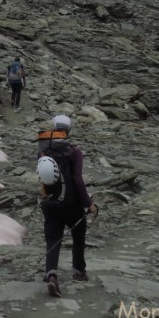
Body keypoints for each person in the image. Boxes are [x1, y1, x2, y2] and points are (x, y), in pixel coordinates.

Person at [36, 114, 98, 297]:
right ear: (68, 130)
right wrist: (89, 204)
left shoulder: (42, 150)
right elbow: (77, 180)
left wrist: (46, 196)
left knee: (53, 238)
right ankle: (79, 272)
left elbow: (42, 177)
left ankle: (52, 275)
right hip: (72, 205)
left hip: (50, 203)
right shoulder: (74, 151)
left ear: (54, 128)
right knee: (78, 235)